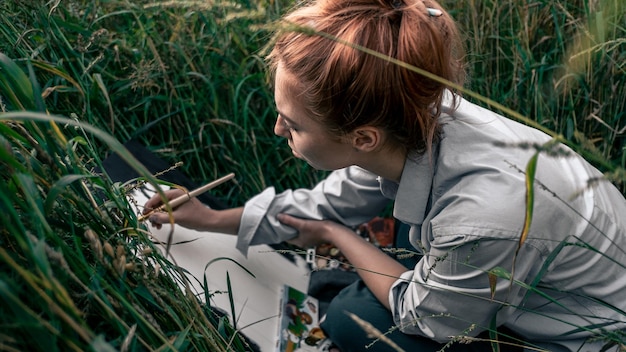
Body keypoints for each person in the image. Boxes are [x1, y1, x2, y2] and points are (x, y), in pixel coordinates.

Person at [144, 0, 626, 351]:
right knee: (361, 279)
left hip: (585, 333)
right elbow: (325, 203)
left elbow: (424, 319)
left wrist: (338, 238)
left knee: (356, 323)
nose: (277, 129)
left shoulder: (480, 216)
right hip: (522, 259)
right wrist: (208, 219)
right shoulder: (409, 113)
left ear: (363, 138)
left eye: (292, 124)